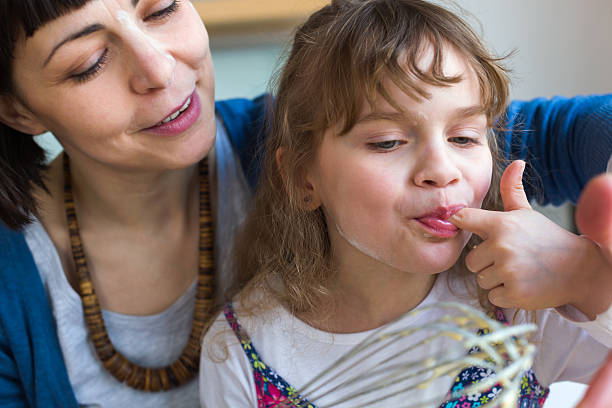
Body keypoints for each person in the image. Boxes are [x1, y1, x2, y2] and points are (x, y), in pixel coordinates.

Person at [0, 0, 610, 407]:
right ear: (17, 107)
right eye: (90, 62)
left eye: (161, 7)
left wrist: (586, 275)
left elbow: (560, 133)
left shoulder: (514, 303)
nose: (160, 68)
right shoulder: (242, 348)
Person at [199, 1, 612, 407]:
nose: (440, 169)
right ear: (303, 177)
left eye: (464, 137)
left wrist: (585, 277)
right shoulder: (241, 350)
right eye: (388, 142)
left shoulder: (525, 304)